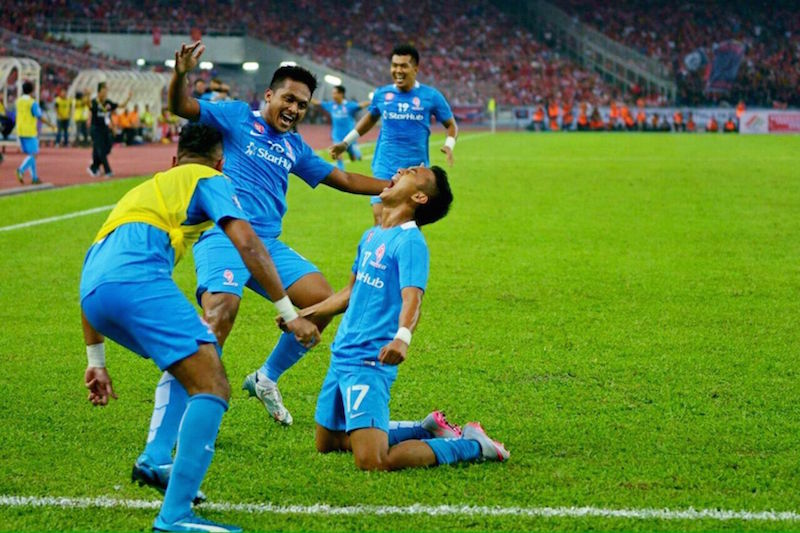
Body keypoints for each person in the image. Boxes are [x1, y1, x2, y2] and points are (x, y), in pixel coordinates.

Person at [79, 123, 319, 533]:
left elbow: (94, 262)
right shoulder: (211, 178)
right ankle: (174, 517)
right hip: (137, 280)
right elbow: (247, 243)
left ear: (174, 160)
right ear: (221, 162)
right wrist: (289, 310)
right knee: (212, 383)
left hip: (93, 291)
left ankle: (155, 459)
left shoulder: (144, 190)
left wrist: (96, 361)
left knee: (192, 355)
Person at [163, 41, 391, 431]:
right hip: (224, 236)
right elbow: (181, 108)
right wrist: (181, 73)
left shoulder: (295, 147)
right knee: (219, 315)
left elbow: (346, 178)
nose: (294, 109)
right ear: (269, 95)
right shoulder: (235, 117)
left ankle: (266, 378)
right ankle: (184, 417)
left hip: (267, 245)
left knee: (323, 301)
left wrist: (393, 187)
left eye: (302, 105)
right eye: (289, 99)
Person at [299, 165, 509, 471]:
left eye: (410, 172)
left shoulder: (411, 243)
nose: (399, 170)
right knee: (327, 442)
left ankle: (474, 445)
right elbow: (350, 292)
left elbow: (413, 298)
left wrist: (402, 338)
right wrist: (305, 314)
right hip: (342, 354)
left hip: (369, 361)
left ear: (419, 196)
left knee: (373, 461)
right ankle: (427, 428)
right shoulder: (372, 234)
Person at [330, 44, 458, 225]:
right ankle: (378, 254)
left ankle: (406, 252)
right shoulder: (382, 94)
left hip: (415, 171)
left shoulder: (431, 96)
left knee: (409, 221)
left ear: (415, 68)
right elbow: (369, 119)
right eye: (394, 65)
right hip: (385, 165)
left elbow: (451, 125)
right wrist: (345, 143)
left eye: (403, 66)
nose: (398, 70)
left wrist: (449, 144)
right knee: (380, 218)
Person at [311, 85, 369, 170]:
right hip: (337, 136)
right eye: (332, 93)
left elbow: (361, 105)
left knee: (355, 158)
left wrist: (373, 102)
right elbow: (317, 102)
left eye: (335, 93)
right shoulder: (331, 105)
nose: (333, 95)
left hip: (349, 137)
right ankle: (341, 172)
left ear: (341, 94)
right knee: (337, 155)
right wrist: (306, 97)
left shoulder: (349, 106)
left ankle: (353, 152)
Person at [15, 81, 54, 185]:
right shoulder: (32, 103)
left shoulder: (18, 101)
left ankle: (35, 178)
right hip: (29, 131)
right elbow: (39, 116)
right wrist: (51, 125)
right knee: (34, 154)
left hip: (20, 130)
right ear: (32, 90)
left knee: (31, 155)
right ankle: (21, 170)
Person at [89, 82, 130, 178]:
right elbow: (88, 106)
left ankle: (94, 167)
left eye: (106, 90)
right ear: (99, 92)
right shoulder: (94, 102)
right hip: (95, 129)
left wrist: (128, 98)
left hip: (105, 129)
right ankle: (108, 171)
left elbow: (121, 106)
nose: (106, 92)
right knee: (101, 150)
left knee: (107, 148)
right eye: (104, 90)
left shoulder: (108, 103)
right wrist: (87, 95)